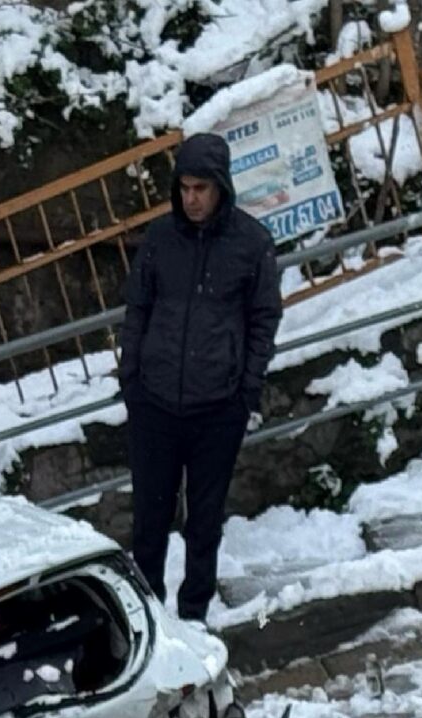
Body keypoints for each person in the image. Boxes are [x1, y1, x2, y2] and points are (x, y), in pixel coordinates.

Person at [117, 130, 284, 625]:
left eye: (201, 189)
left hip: (218, 408)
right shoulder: (160, 240)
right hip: (155, 404)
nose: (191, 199)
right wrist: (133, 379)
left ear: (221, 188)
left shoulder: (251, 244)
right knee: (149, 521)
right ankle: (149, 621)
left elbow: (264, 319)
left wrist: (246, 391)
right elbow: (137, 308)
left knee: (203, 523)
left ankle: (193, 617)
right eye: (184, 188)